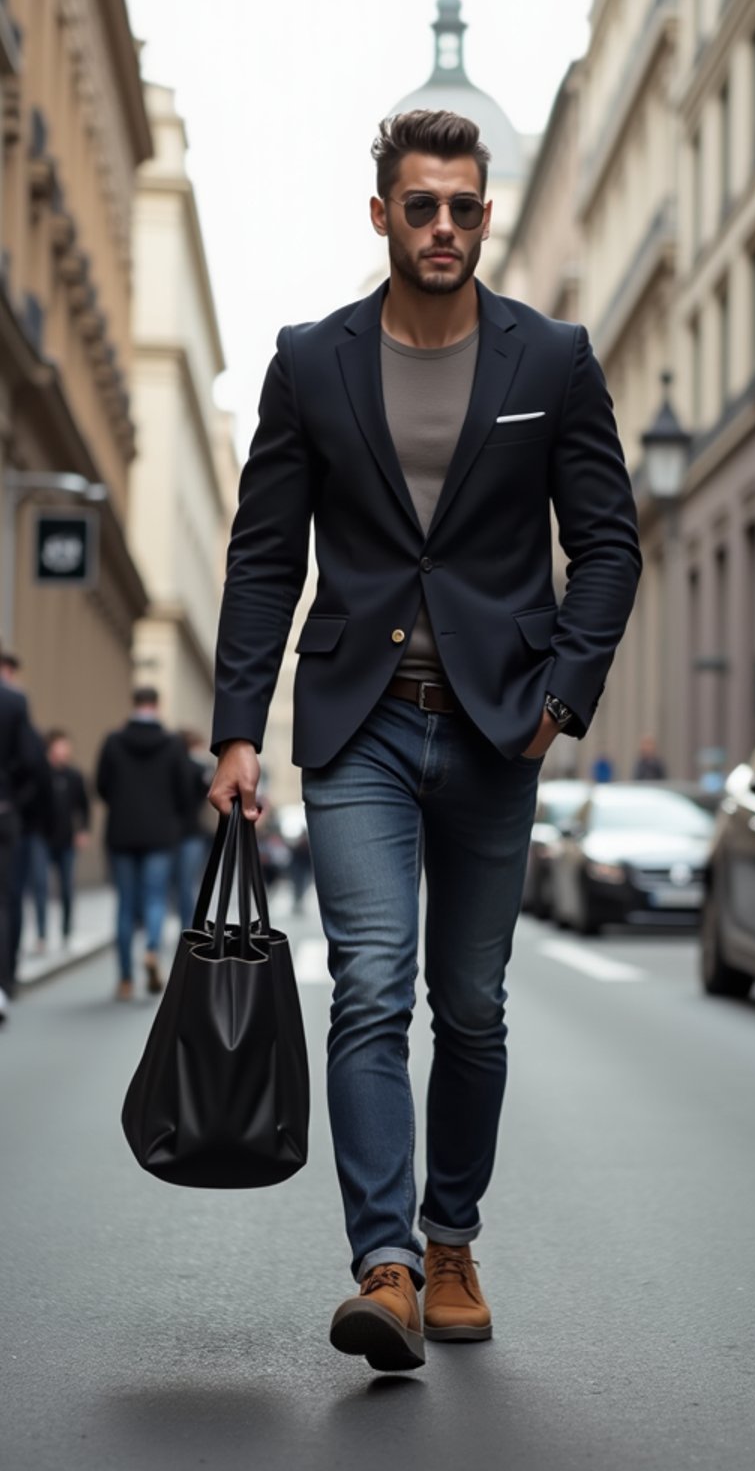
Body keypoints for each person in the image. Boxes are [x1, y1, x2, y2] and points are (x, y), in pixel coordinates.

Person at [209, 109, 641, 1373]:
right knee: (371, 988)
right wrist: (239, 728)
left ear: (485, 215)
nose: (440, 225)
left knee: (474, 1006)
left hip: (502, 730)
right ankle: (387, 1265)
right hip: (360, 729)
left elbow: (607, 543)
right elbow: (261, 558)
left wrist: (563, 697)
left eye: (461, 206)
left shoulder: (551, 359)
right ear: (382, 214)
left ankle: (453, 1236)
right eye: (419, 205)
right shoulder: (312, 360)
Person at [96, 686, 191, 1001]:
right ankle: (151, 949)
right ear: (157, 705)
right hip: (159, 834)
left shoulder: (113, 741)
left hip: (122, 832)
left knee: (125, 905)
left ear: (133, 704)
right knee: (155, 900)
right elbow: (184, 791)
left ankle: (124, 980)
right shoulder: (173, 744)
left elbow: (102, 786)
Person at [0, 655, 47, 1021]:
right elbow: (32, 763)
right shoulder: (14, 701)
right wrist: (13, 804)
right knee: (6, 899)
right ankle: (4, 981)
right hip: (3, 814)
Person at [44, 730, 91, 944]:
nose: (65, 751)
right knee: (39, 886)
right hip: (43, 839)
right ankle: (41, 934)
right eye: (61, 746)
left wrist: (83, 831)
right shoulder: (42, 774)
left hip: (66, 839)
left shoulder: (74, 775)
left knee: (66, 887)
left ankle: (66, 929)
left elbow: (84, 806)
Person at [173, 729, 213, 928]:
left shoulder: (173, 769)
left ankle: (186, 924)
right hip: (191, 833)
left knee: (181, 884)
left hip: (173, 835)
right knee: (187, 883)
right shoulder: (198, 770)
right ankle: (188, 926)